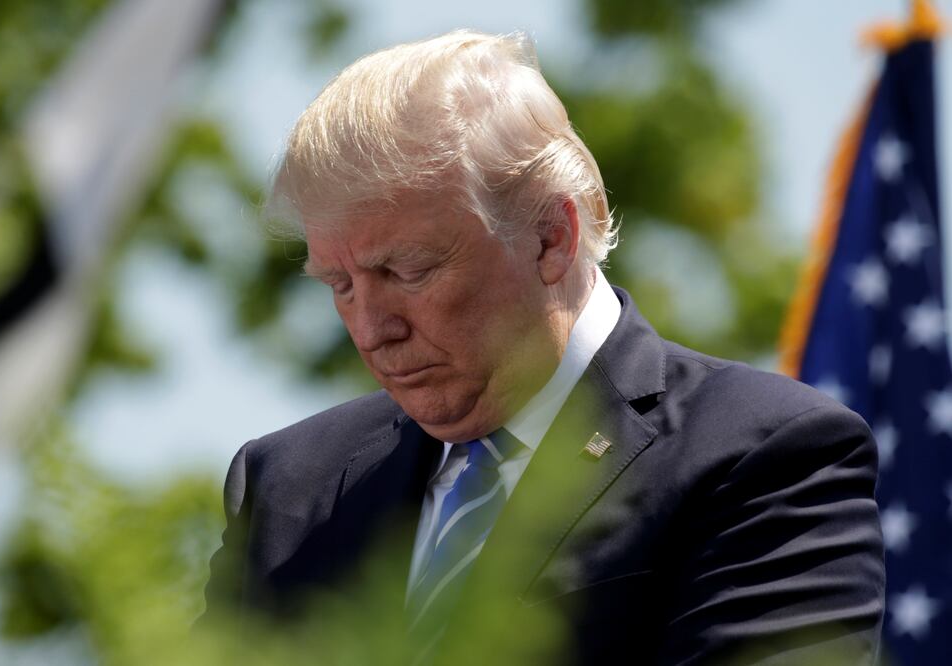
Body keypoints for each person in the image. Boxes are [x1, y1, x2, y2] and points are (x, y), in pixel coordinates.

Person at [200, 30, 885, 665]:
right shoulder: (289, 489)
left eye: (405, 271)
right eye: (339, 284)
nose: (372, 326)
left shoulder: (763, 457)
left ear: (551, 237)